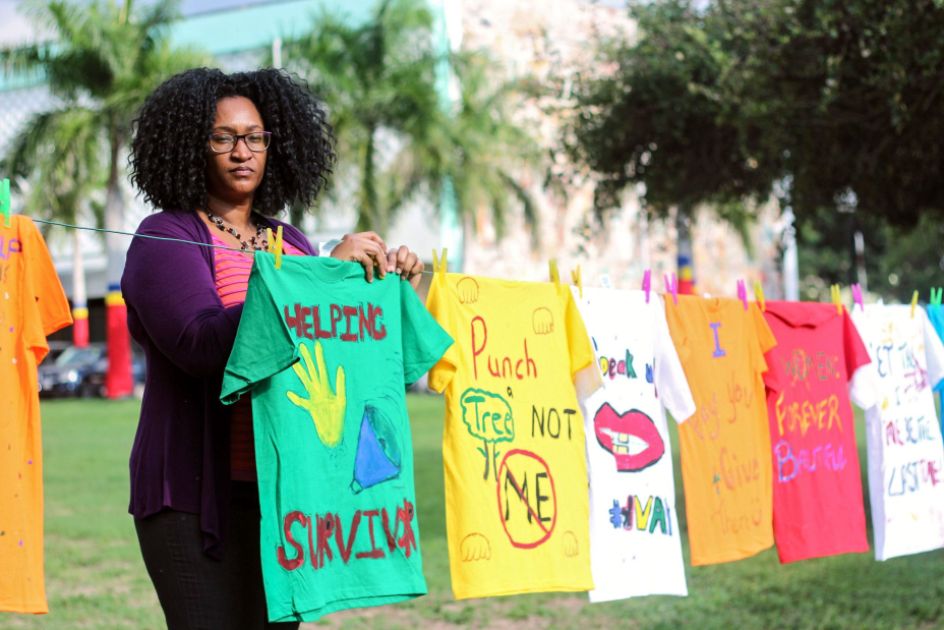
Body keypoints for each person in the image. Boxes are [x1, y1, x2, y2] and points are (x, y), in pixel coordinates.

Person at [120, 67, 425, 629]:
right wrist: (318, 275)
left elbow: (337, 348)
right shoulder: (165, 237)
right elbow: (201, 344)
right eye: (223, 137)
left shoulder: (294, 244)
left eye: (256, 137)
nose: (243, 151)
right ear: (192, 145)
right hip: (191, 498)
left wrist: (383, 286)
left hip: (284, 493)